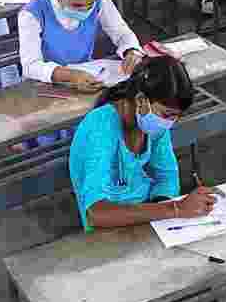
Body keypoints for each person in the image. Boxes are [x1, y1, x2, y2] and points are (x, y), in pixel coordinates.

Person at [69, 56, 212, 232]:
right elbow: (96, 213)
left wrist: (162, 209)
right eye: (168, 115)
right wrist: (175, 209)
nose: (170, 123)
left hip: (146, 211)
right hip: (108, 227)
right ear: (141, 100)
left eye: (177, 117)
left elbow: (166, 175)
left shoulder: (153, 119)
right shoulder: (100, 127)